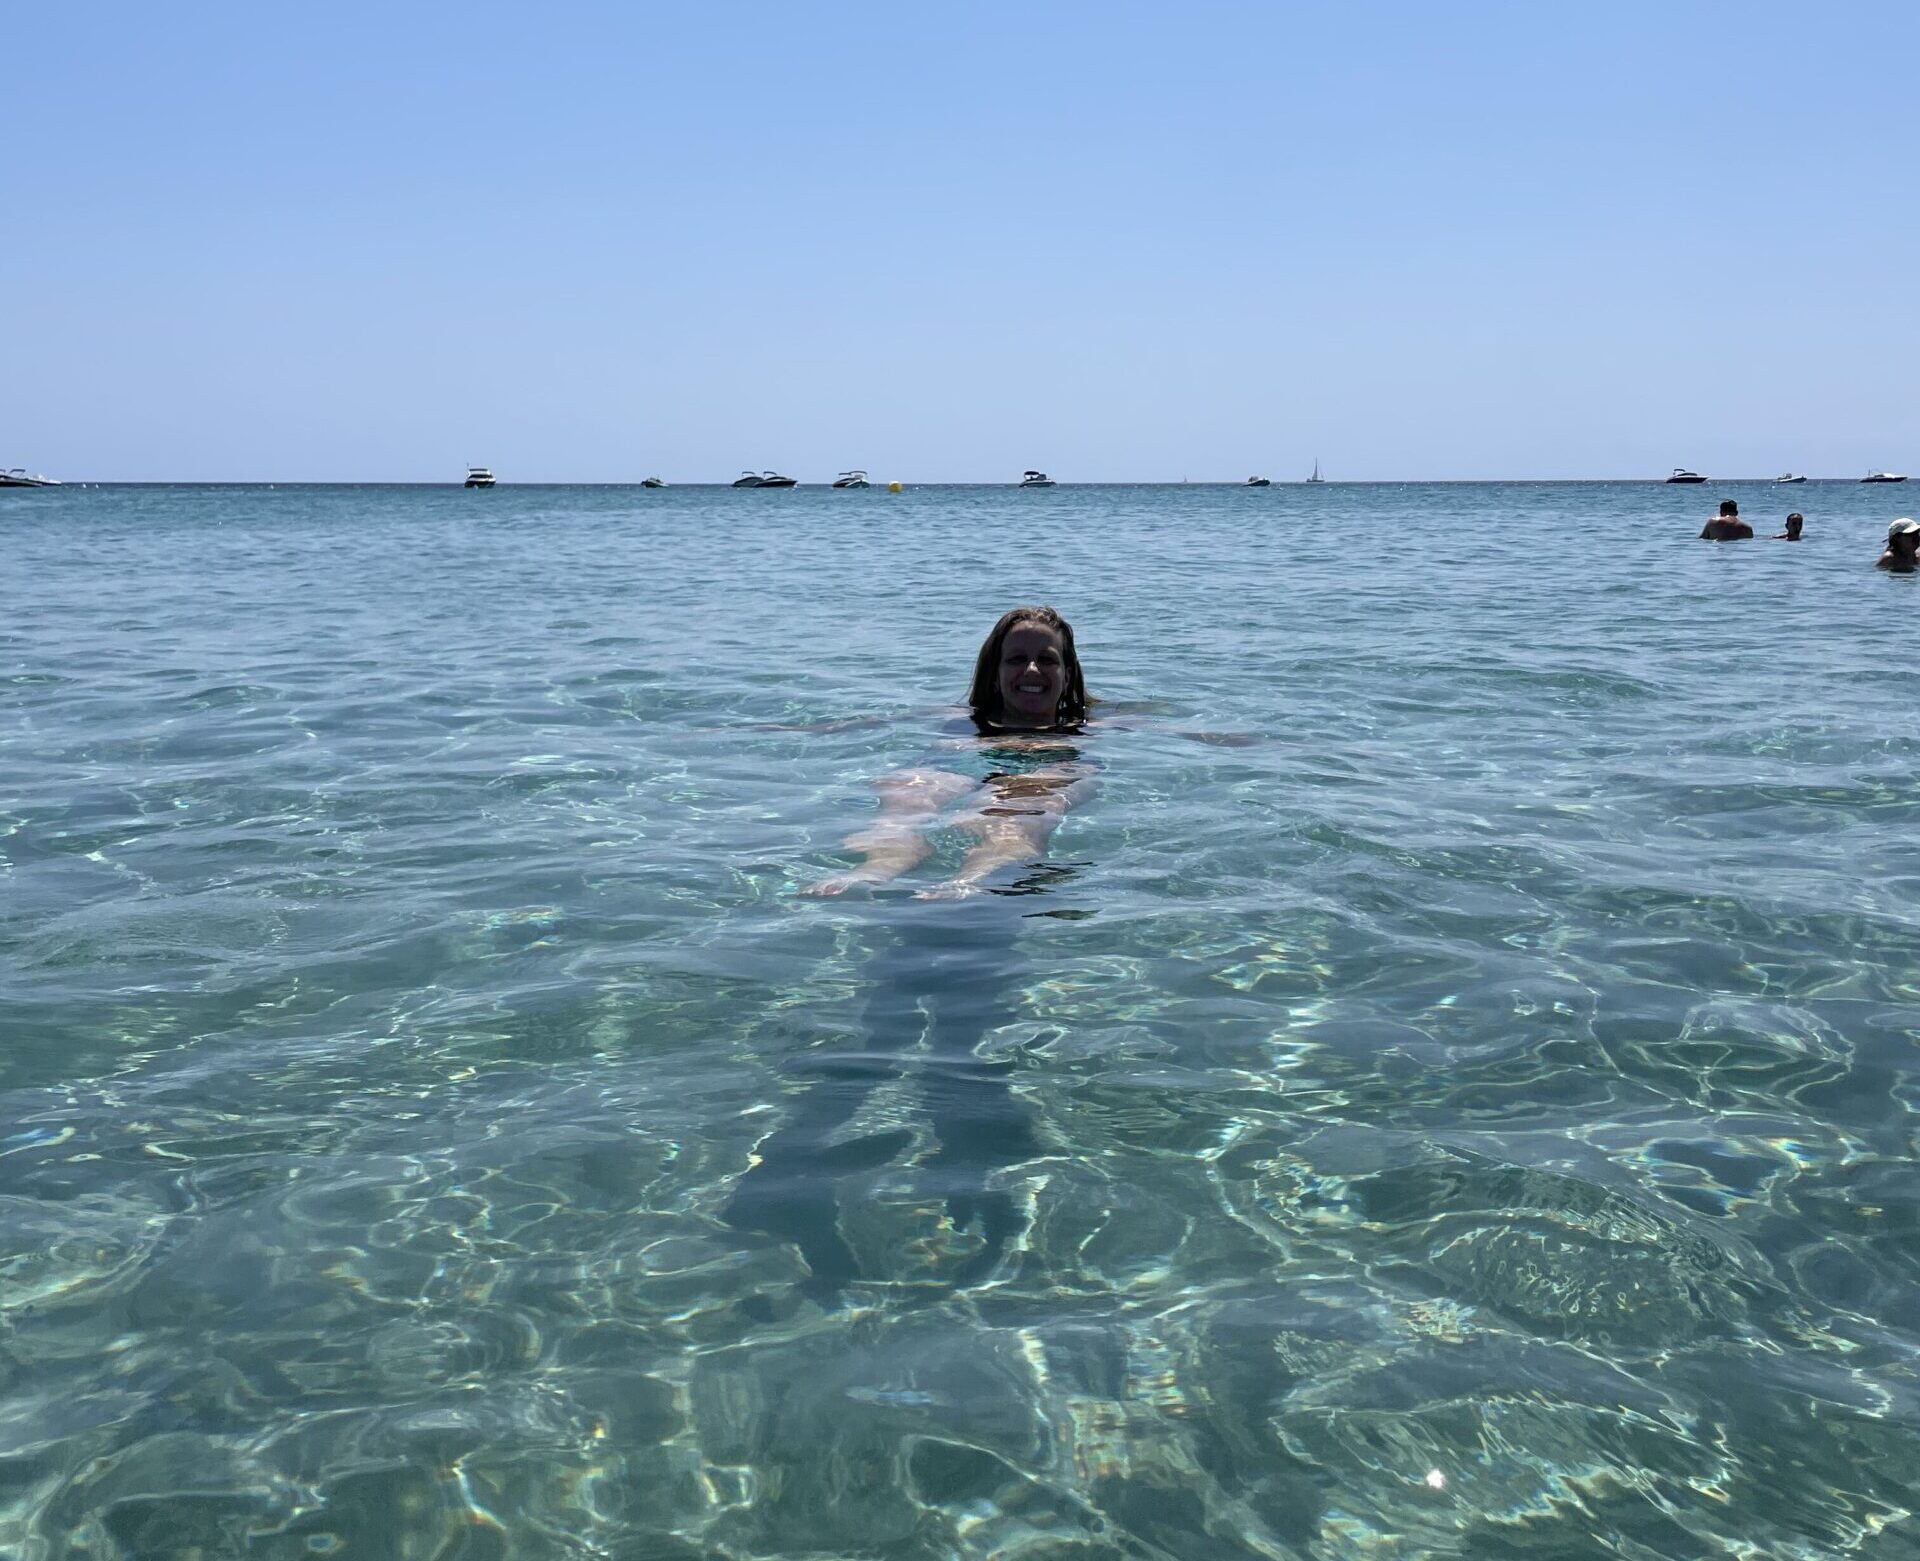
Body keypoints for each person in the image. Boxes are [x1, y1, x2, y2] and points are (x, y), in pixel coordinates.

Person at [807, 606, 1094, 898]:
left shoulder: (1089, 722)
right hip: (961, 759)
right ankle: (877, 868)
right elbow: (869, 723)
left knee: (1013, 814)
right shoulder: (958, 719)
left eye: (1046, 659)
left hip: (1049, 761)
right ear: (996, 674)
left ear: (1067, 675)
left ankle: (969, 880)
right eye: (1017, 659)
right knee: (906, 797)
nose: (1032, 669)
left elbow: (1141, 719)